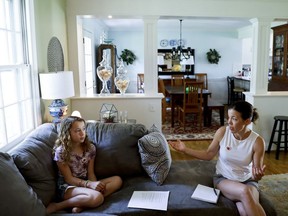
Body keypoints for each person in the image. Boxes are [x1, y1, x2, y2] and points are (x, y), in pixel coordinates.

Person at [169, 101, 266, 216]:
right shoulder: (223, 132)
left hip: (248, 181)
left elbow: (255, 173)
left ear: (247, 121)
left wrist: (257, 175)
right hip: (224, 179)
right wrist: (185, 149)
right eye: (228, 117)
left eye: (234, 119)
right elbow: (208, 154)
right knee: (246, 192)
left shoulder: (258, 142)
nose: (229, 122)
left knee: (244, 210)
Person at [46, 116, 122, 214]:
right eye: (77, 131)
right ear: (67, 133)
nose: (82, 133)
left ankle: (82, 204)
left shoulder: (90, 148)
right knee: (97, 197)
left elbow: (91, 173)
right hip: (68, 187)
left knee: (117, 180)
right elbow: (69, 179)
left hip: (86, 183)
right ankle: (57, 206)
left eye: (83, 129)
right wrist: (90, 185)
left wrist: (94, 185)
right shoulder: (61, 152)